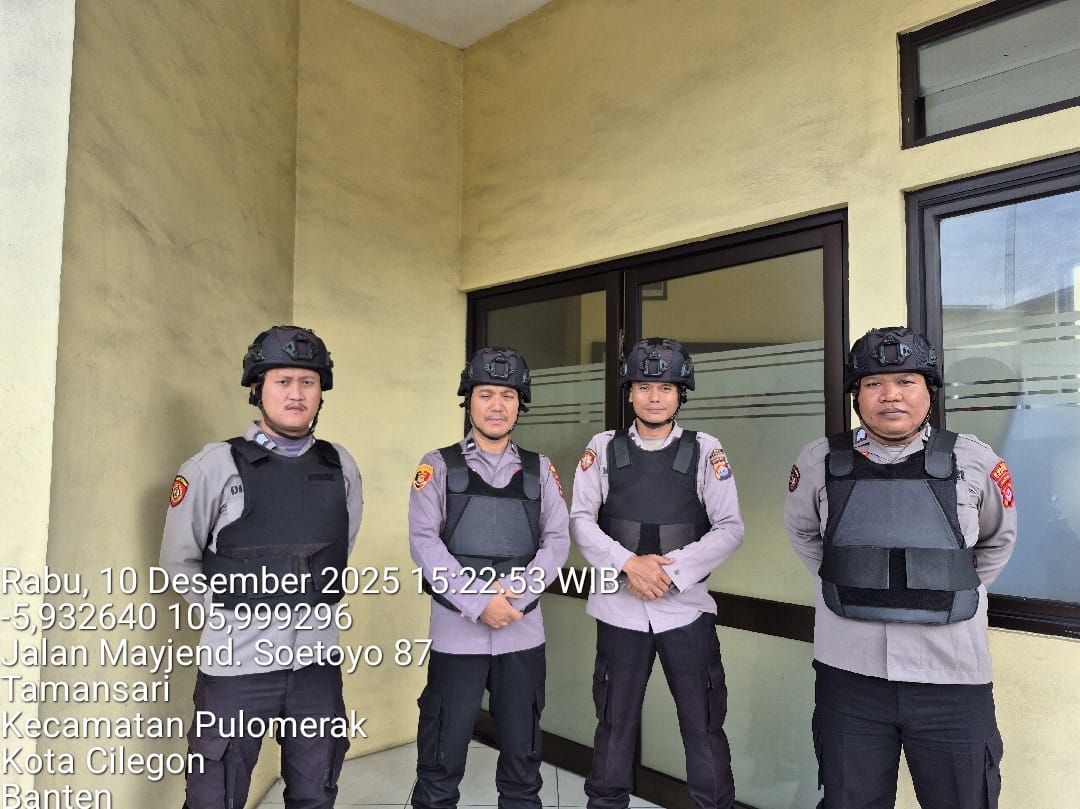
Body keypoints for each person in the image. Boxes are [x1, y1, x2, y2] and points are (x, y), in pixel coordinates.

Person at [784, 326, 1017, 809]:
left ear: (928, 390)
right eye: (873, 383)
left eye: (905, 381)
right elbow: (804, 534)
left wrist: (946, 588)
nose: (890, 395)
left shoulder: (975, 460)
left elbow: (997, 541)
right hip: (849, 674)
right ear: (857, 395)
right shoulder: (818, 460)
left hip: (951, 675)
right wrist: (852, 580)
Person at [160, 325, 363, 809]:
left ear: (321, 392)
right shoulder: (213, 466)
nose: (296, 394)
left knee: (316, 792)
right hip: (237, 667)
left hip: (316, 665)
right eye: (283, 381)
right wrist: (233, 611)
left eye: (308, 382)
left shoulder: (341, 466)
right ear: (258, 387)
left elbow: (341, 545)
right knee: (214, 798)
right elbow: (178, 561)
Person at [570, 337, 744, 809]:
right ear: (629, 392)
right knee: (614, 725)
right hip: (619, 611)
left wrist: (670, 572)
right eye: (644, 387)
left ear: (680, 394)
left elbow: (730, 528)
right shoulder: (602, 448)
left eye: (665, 388)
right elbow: (580, 520)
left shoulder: (706, 450)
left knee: (703, 726)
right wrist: (629, 564)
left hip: (686, 612)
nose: (653, 397)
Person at [409, 346, 570, 809]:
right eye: (486, 394)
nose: (497, 405)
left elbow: (557, 540)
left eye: (507, 395)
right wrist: (480, 602)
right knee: (440, 761)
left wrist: (517, 595)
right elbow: (424, 542)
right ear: (469, 401)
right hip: (456, 637)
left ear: (520, 403)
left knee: (523, 763)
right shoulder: (438, 466)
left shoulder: (540, 470)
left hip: (522, 635)